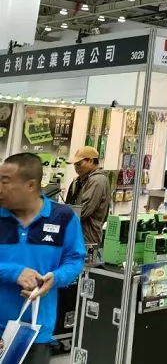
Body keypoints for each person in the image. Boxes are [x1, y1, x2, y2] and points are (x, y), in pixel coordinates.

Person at [0, 153, 86, 364]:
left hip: (35, 332)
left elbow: (74, 260)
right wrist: (14, 272)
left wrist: (55, 278)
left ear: (30, 185)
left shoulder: (63, 218)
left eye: (5, 182)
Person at [64, 147, 110, 247]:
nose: (76, 168)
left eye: (79, 164)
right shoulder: (80, 180)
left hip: (87, 237)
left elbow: (83, 211)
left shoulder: (97, 180)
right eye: (75, 165)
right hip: (78, 235)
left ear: (90, 161)